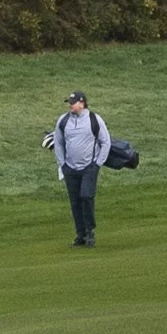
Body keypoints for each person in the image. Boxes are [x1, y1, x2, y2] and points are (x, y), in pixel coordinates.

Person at [51, 91, 111, 246]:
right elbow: (58, 143)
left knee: (86, 197)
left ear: (82, 103)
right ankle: (81, 235)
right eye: (69, 102)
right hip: (70, 168)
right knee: (75, 202)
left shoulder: (94, 119)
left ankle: (90, 232)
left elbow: (106, 142)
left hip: (89, 167)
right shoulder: (63, 121)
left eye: (73, 102)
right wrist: (62, 164)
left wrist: (97, 163)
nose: (70, 105)